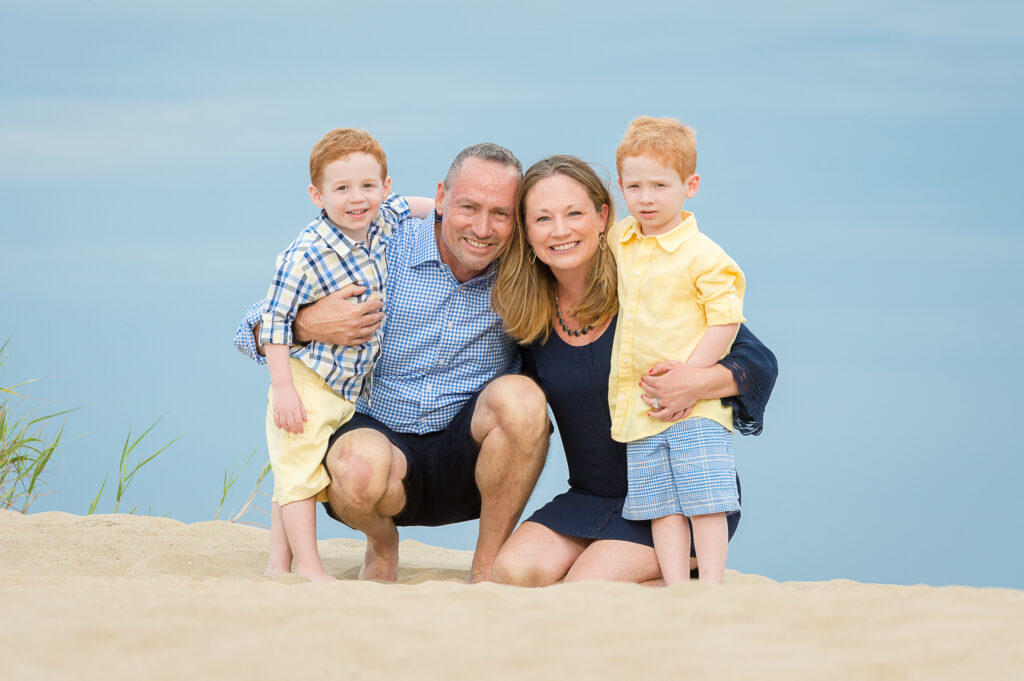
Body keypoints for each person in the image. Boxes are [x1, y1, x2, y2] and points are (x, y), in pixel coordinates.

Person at [235, 143, 552, 583]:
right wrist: (307, 326)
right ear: (440, 198)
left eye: (500, 213)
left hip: (468, 458)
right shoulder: (382, 242)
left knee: (522, 400)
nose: (482, 228)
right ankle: (382, 546)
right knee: (356, 468)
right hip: (378, 442)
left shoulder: (526, 272)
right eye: (468, 207)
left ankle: (485, 569)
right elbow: (251, 327)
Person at [490, 154, 776, 586]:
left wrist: (695, 382)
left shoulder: (648, 287)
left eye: (575, 213)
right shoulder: (528, 319)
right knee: (514, 573)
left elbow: (759, 362)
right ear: (526, 233)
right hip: (588, 496)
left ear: (603, 216)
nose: (561, 230)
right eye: (543, 218)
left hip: (678, 498)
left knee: (587, 587)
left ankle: (686, 588)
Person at [258, 128, 412, 581]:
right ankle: (308, 567)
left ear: (385, 186)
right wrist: (283, 388)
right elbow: (273, 322)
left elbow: (411, 205)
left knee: (294, 472)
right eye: (341, 188)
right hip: (307, 384)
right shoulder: (304, 253)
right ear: (316, 194)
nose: (356, 198)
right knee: (300, 480)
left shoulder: (380, 222)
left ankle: (276, 565)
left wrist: (444, 207)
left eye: (368, 186)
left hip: (342, 389)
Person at [608, 116, 745, 584]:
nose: (646, 198)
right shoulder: (620, 240)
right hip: (640, 407)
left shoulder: (704, 254)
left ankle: (710, 587)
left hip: (695, 406)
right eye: (634, 186)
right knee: (660, 506)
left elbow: (726, 319)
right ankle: (675, 587)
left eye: (660, 186)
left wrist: (688, 377)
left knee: (705, 501)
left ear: (691, 185)